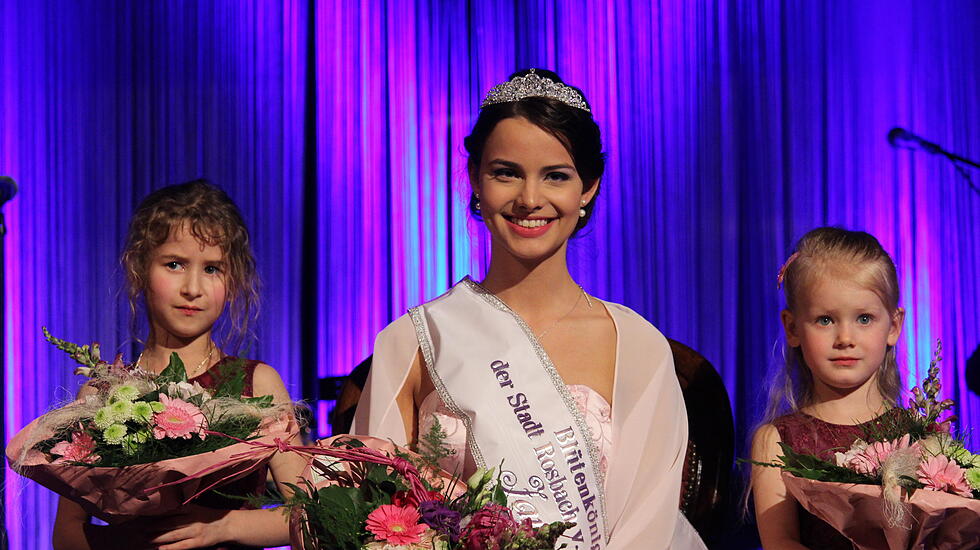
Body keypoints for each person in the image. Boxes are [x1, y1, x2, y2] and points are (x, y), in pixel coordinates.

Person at [353, 69, 705, 550]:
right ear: (476, 179)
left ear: (588, 188)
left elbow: (649, 522)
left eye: (555, 176)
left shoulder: (637, 345)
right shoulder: (413, 339)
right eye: (506, 173)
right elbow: (379, 513)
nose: (530, 199)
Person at [52, 181, 305, 550]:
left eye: (213, 269)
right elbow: (67, 530)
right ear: (139, 268)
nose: (192, 287)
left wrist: (223, 526)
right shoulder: (103, 392)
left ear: (233, 282)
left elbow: (309, 513)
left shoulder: (257, 384)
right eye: (174, 264)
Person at [750, 227, 906, 549]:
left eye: (864, 318)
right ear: (792, 328)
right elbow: (780, 542)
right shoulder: (776, 442)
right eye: (825, 320)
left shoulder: (923, 437)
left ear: (893, 326)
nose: (845, 338)